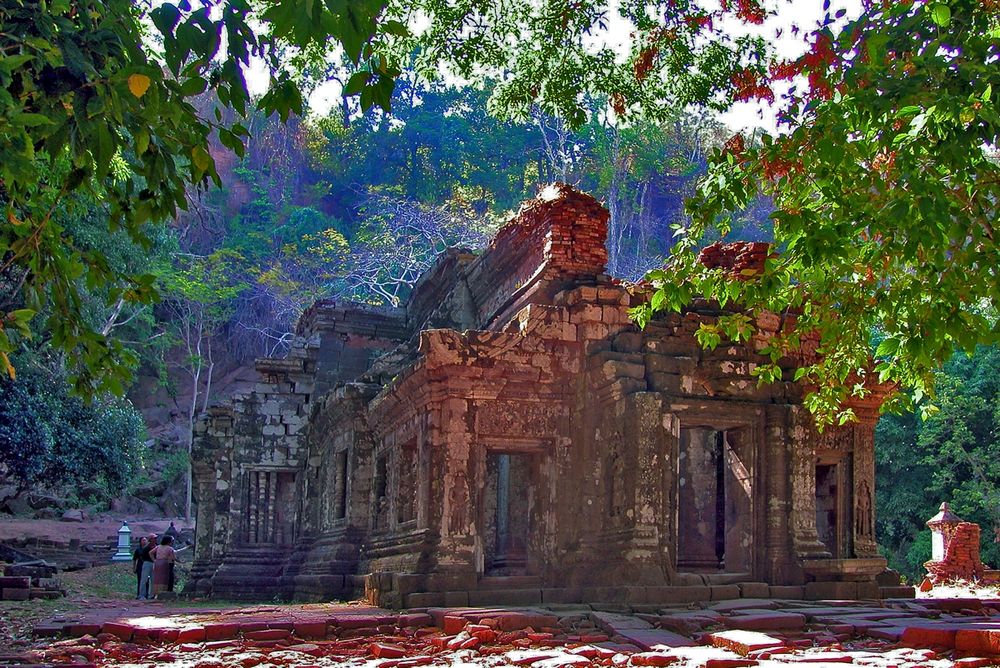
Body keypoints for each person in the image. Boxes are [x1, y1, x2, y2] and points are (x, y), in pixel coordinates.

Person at [137, 533, 156, 599]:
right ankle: (142, 595)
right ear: (151, 539)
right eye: (154, 538)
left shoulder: (156, 546)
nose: (155, 540)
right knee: (144, 579)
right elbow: (142, 556)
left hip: (153, 563)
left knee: (153, 580)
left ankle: (151, 595)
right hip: (147, 563)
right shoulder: (146, 548)